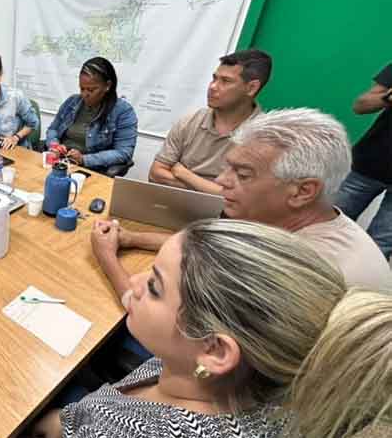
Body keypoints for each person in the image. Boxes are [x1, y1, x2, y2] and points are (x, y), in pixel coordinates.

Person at [32, 219, 392, 438]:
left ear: (216, 350)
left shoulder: (122, 431)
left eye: (155, 287)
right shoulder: (229, 374)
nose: (137, 282)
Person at [96, 108, 391, 289]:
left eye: (243, 174)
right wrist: (131, 238)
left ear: (303, 191)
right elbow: (213, 246)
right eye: (228, 166)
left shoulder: (298, 268)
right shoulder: (296, 217)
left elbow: (158, 318)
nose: (222, 181)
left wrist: (107, 256)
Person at [149, 49, 271, 194]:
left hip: (224, 216)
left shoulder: (265, 136)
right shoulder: (190, 121)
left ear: (251, 88)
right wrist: (213, 190)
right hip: (174, 205)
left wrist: (185, 174)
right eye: (214, 78)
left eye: (225, 81)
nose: (212, 87)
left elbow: (244, 197)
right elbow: (156, 174)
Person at [335, 62, 392, 260]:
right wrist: (388, 98)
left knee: (379, 248)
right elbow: (360, 105)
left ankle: (357, 290)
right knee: (328, 227)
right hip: (369, 163)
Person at [45, 57, 137, 175]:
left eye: (91, 90)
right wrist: (54, 145)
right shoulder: (72, 102)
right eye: (82, 88)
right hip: (60, 163)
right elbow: (53, 129)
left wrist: (84, 159)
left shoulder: (123, 112)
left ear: (107, 86)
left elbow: (123, 152)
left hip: (90, 170)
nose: (85, 94)